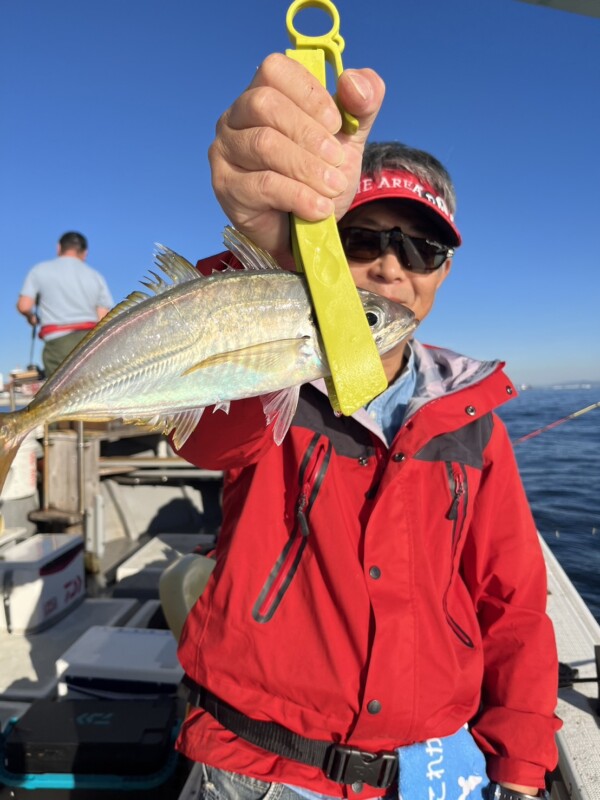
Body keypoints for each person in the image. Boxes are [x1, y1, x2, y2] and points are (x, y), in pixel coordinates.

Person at [172, 54, 561, 800]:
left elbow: (512, 604)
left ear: (443, 273)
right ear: (321, 250)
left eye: (421, 247)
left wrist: (519, 766)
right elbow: (205, 437)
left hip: (430, 775)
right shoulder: (275, 383)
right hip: (256, 769)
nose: (389, 266)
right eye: (361, 239)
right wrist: (258, 260)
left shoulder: (474, 426)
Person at [17, 231, 113, 377]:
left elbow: (24, 306)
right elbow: (103, 318)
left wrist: (31, 318)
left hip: (58, 343)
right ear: (84, 253)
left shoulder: (40, 270)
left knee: (61, 394)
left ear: (58, 248)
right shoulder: (96, 276)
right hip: (90, 342)